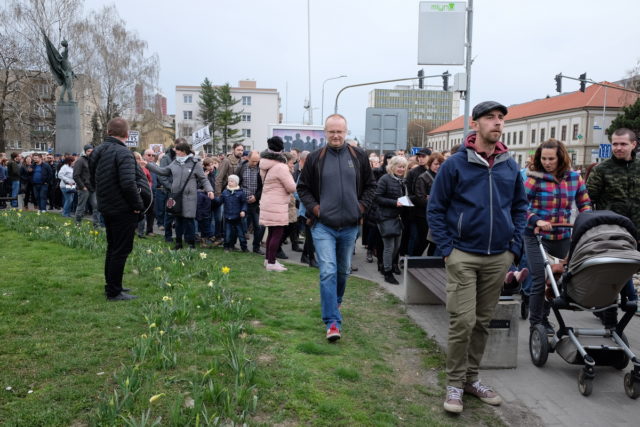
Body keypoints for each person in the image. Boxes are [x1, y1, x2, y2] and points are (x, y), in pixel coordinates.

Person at [427, 101, 527, 413]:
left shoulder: (509, 165)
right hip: (463, 255)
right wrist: (447, 250)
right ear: (475, 124)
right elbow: (436, 208)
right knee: (463, 321)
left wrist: (513, 249)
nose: (497, 123)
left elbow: (520, 208)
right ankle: (455, 384)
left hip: (498, 256)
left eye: (500, 118)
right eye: (490, 118)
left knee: (482, 322)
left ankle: (471, 379)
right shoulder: (455, 164)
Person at [297, 114, 376, 342]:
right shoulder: (315, 158)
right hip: (323, 226)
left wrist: (360, 208)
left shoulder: (358, 155)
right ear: (325, 132)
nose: (336, 135)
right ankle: (332, 322)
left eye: (340, 131)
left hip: (350, 226)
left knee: (343, 271)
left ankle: (336, 301)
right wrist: (316, 210)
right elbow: (303, 189)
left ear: (346, 131)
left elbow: (371, 186)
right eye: (331, 131)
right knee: (328, 271)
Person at [523, 139, 591, 333]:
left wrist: (585, 218)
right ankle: (536, 323)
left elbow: (584, 203)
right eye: (543, 158)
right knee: (539, 278)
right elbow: (520, 206)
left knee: (556, 278)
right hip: (535, 235)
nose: (547, 162)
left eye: (551, 158)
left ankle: (544, 317)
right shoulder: (534, 178)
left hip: (562, 234)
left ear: (560, 158)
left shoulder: (574, 178)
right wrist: (536, 219)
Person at [587, 127, 640, 325]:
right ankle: (611, 314)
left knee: (627, 269)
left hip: (637, 231)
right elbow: (588, 200)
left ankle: (609, 307)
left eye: (623, 144)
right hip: (612, 233)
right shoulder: (602, 170)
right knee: (617, 270)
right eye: (615, 144)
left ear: (633, 145)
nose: (618, 148)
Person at [90, 117, 144, 301]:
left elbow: (93, 178)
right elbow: (128, 183)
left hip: (106, 205)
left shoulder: (98, 150)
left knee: (113, 248)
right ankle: (114, 291)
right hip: (122, 209)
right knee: (120, 250)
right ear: (127, 134)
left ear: (108, 132)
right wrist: (138, 206)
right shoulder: (123, 153)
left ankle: (113, 286)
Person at [145, 141, 214, 249]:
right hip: (176, 196)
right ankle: (178, 243)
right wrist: (147, 165)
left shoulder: (195, 163)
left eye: (176, 150)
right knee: (178, 220)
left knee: (189, 220)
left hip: (189, 197)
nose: (174, 152)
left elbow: (203, 179)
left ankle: (191, 245)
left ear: (183, 152)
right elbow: (163, 171)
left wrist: (209, 190)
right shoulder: (175, 162)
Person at [259, 136, 297, 272]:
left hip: (268, 201)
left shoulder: (264, 163)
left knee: (271, 233)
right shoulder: (280, 167)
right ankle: (271, 262)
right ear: (281, 149)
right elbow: (292, 187)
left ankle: (268, 260)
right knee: (277, 233)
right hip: (277, 204)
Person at [374, 155, 408, 284]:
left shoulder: (402, 180)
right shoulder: (385, 179)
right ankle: (387, 273)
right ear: (392, 166)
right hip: (385, 217)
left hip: (397, 217)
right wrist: (395, 203)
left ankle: (386, 266)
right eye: (399, 166)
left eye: (404, 167)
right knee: (389, 247)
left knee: (397, 246)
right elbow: (377, 197)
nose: (401, 169)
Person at [414, 151, 445, 256]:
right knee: (423, 241)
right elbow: (420, 198)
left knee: (435, 242)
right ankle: (413, 261)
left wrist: (432, 198)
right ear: (430, 164)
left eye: (440, 164)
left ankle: (430, 263)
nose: (438, 166)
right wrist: (435, 200)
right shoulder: (423, 177)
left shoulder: (442, 176)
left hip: (437, 214)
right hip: (423, 215)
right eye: (436, 164)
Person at [236, 150, 264, 254]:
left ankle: (256, 247)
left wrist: (256, 197)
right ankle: (241, 246)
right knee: (240, 225)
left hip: (255, 202)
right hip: (242, 201)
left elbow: (263, 187)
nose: (255, 163)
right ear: (248, 158)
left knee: (259, 226)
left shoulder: (261, 170)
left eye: (257, 161)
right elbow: (236, 183)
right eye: (253, 161)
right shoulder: (241, 168)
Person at [405, 148, 432, 256]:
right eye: (419, 157)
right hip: (416, 210)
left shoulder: (434, 170)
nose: (420, 159)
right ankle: (411, 259)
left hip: (430, 210)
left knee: (428, 239)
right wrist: (422, 197)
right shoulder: (413, 172)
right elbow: (409, 194)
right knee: (416, 238)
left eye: (423, 156)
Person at [219, 174, 248, 252]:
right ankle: (226, 247)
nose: (229, 182)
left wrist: (243, 210)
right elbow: (219, 201)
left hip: (238, 218)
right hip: (228, 217)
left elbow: (244, 203)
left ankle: (244, 248)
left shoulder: (241, 193)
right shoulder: (225, 192)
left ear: (236, 183)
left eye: (232, 181)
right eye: (229, 181)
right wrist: (212, 199)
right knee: (227, 234)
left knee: (241, 234)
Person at [74, 144, 99, 225]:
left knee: (96, 206)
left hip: (93, 187)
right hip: (84, 188)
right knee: (81, 206)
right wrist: (82, 186)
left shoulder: (94, 160)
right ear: (85, 152)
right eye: (88, 151)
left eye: (92, 151)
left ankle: (96, 224)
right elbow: (76, 175)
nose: (90, 153)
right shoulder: (80, 160)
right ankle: (78, 223)